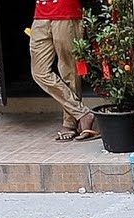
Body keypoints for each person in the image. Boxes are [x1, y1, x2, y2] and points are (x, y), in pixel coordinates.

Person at [31, 0, 98, 142]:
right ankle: (82, 113)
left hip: (66, 10)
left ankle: (69, 124)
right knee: (39, 72)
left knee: (69, 71)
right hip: (41, 14)